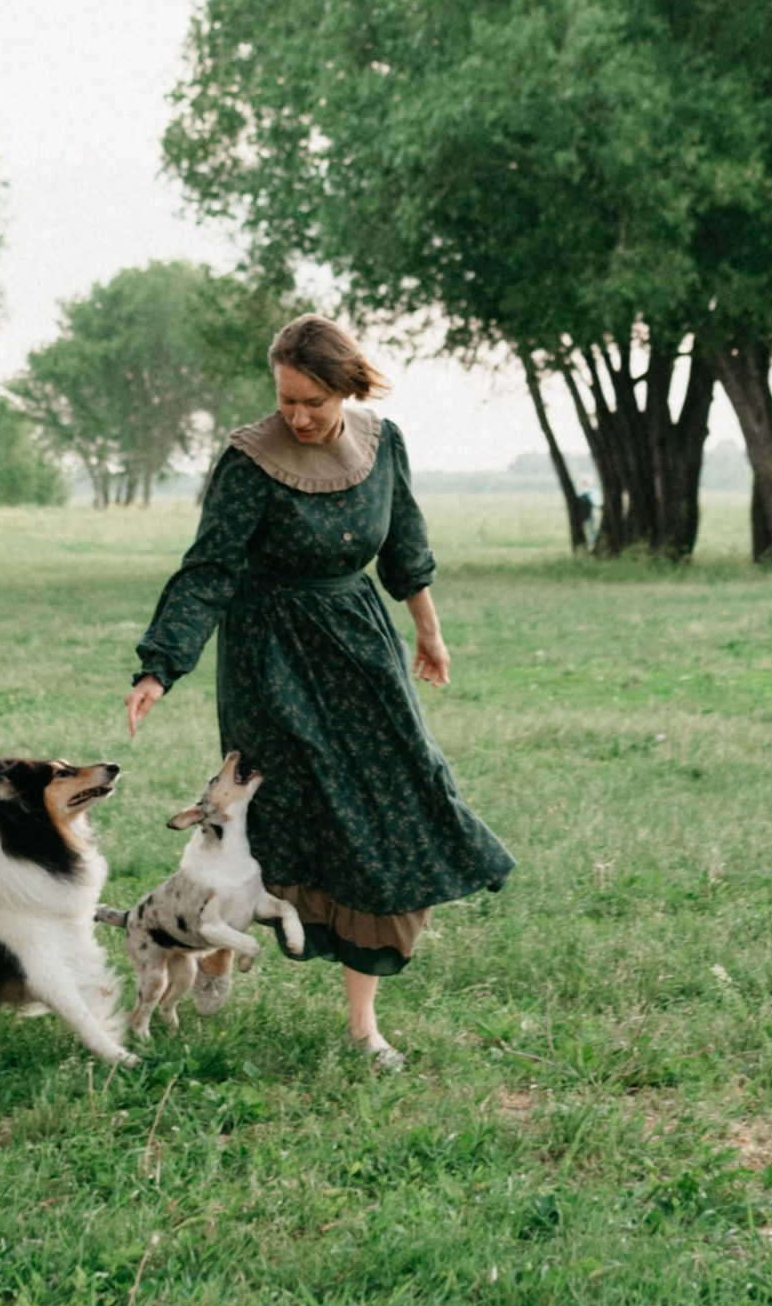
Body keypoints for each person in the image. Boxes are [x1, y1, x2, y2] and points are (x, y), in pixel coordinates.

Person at [124, 314, 512, 1068]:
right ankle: (213, 946)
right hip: (271, 659)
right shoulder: (249, 460)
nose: (297, 416)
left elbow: (405, 545)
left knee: (392, 806)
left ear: (348, 387)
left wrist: (429, 632)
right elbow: (209, 571)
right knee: (283, 813)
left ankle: (363, 1027)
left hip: (363, 651)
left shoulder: (381, 444)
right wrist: (158, 665)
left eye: (313, 401)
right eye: (286, 399)